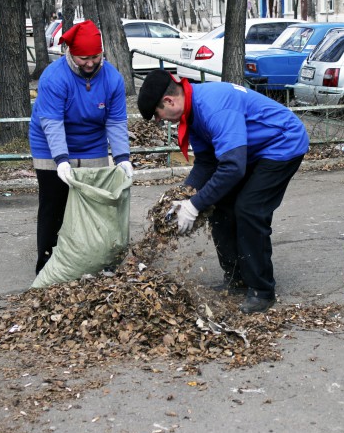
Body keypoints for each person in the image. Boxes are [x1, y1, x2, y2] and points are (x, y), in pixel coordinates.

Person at [137, 70, 309, 314]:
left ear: (169, 101)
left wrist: (195, 204)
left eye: (158, 115)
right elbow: (207, 162)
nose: (160, 120)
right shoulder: (192, 110)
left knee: (249, 209)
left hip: (282, 143)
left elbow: (232, 167)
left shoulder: (213, 107)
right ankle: (237, 278)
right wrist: (184, 196)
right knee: (219, 206)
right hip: (251, 151)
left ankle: (262, 290)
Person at [29, 20, 133, 275]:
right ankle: (47, 263)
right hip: (49, 146)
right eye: (83, 58)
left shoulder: (112, 79)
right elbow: (51, 123)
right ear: (71, 54)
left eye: (95, 57)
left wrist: (122, 158)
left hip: (91, 145)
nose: (90, 63)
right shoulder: (54, 77)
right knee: (54, 204)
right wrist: (61, 160)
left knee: (95, 206)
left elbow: (116, 121)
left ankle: (93, 258)